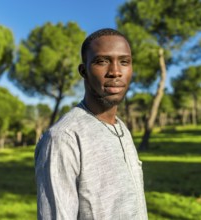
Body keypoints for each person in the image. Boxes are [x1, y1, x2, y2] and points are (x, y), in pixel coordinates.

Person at [35, 28, 148, 220]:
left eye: (124, 62)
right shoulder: (64, 138)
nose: (115, 72)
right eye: (102, 61)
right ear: (83, 71)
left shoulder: (121, 129)